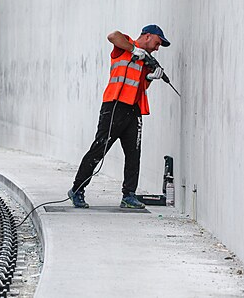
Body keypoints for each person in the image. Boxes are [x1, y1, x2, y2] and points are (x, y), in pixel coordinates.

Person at [68, 24, 171, 209]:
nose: (157, 48)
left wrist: (149, 78)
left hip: (134, 110)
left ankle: (129, 195)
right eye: (157, 43)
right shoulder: (125, 45)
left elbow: (140, 88)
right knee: (99, 149)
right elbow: (112, 35)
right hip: (114, 106)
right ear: (148, 36)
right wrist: (134, 49)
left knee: (134, 154)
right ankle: (77, 190)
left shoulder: (147, 61)